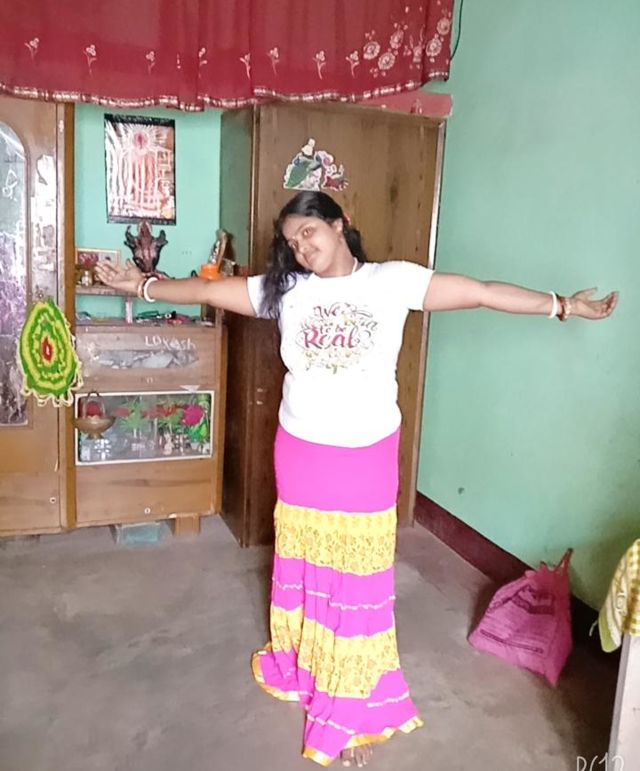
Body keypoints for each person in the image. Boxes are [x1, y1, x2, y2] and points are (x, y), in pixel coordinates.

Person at [95, 191, 618, 768]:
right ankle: (308, 661)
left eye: (309, 233)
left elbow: (481, 291)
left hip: (366, 456)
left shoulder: (392, 281)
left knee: (359, 581)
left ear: (340, 223)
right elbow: (204, 291)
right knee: (306, 566)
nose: (302, 248)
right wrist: (142, 287)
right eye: (292, 242)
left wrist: (562, 305)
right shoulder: (285, 290)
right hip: (301, 453)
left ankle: (350, 702)